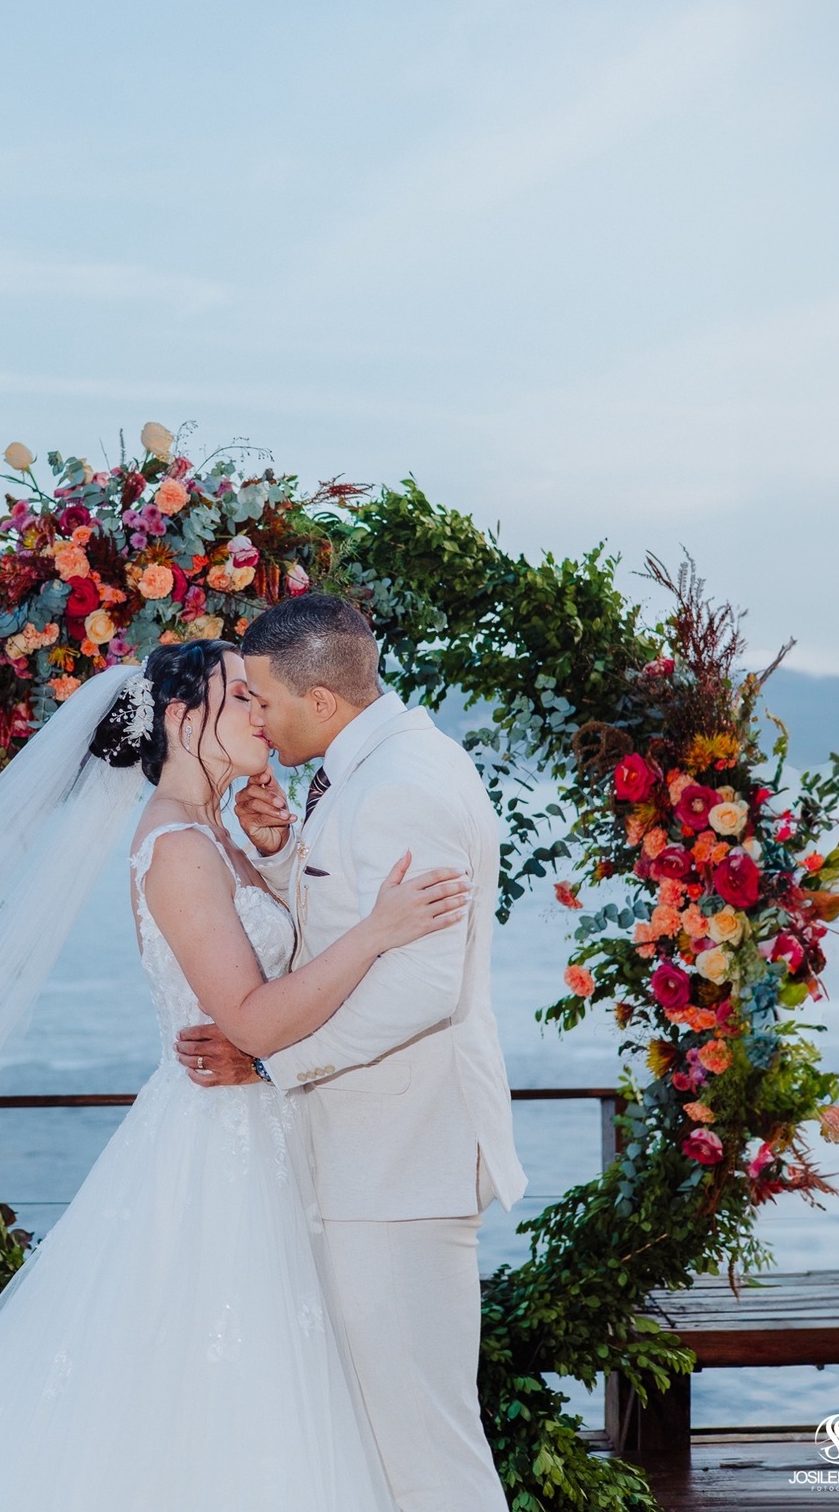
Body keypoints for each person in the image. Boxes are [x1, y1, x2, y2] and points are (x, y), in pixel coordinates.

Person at [0, 639, 468, 1510]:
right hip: (216, 1148)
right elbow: (253, 1018)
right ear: (178, 717)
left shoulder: (214, 835)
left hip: (263, 1136)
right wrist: (378, 930)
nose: (261, 713)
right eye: (240, 696)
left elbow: (273, 970)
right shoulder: (177, 848)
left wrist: (272, 854)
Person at [176, 595, 527, 1512]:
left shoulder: (407, 782)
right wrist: (286, 848)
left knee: (428, 1450)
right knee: (384, 1441)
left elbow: (420, 987)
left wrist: (266, 1063)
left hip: (403, 1159)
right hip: (370, 1159)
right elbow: (353, 915)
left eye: (262, 697)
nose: (255, 715)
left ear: (321, 701)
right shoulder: (366, 770)